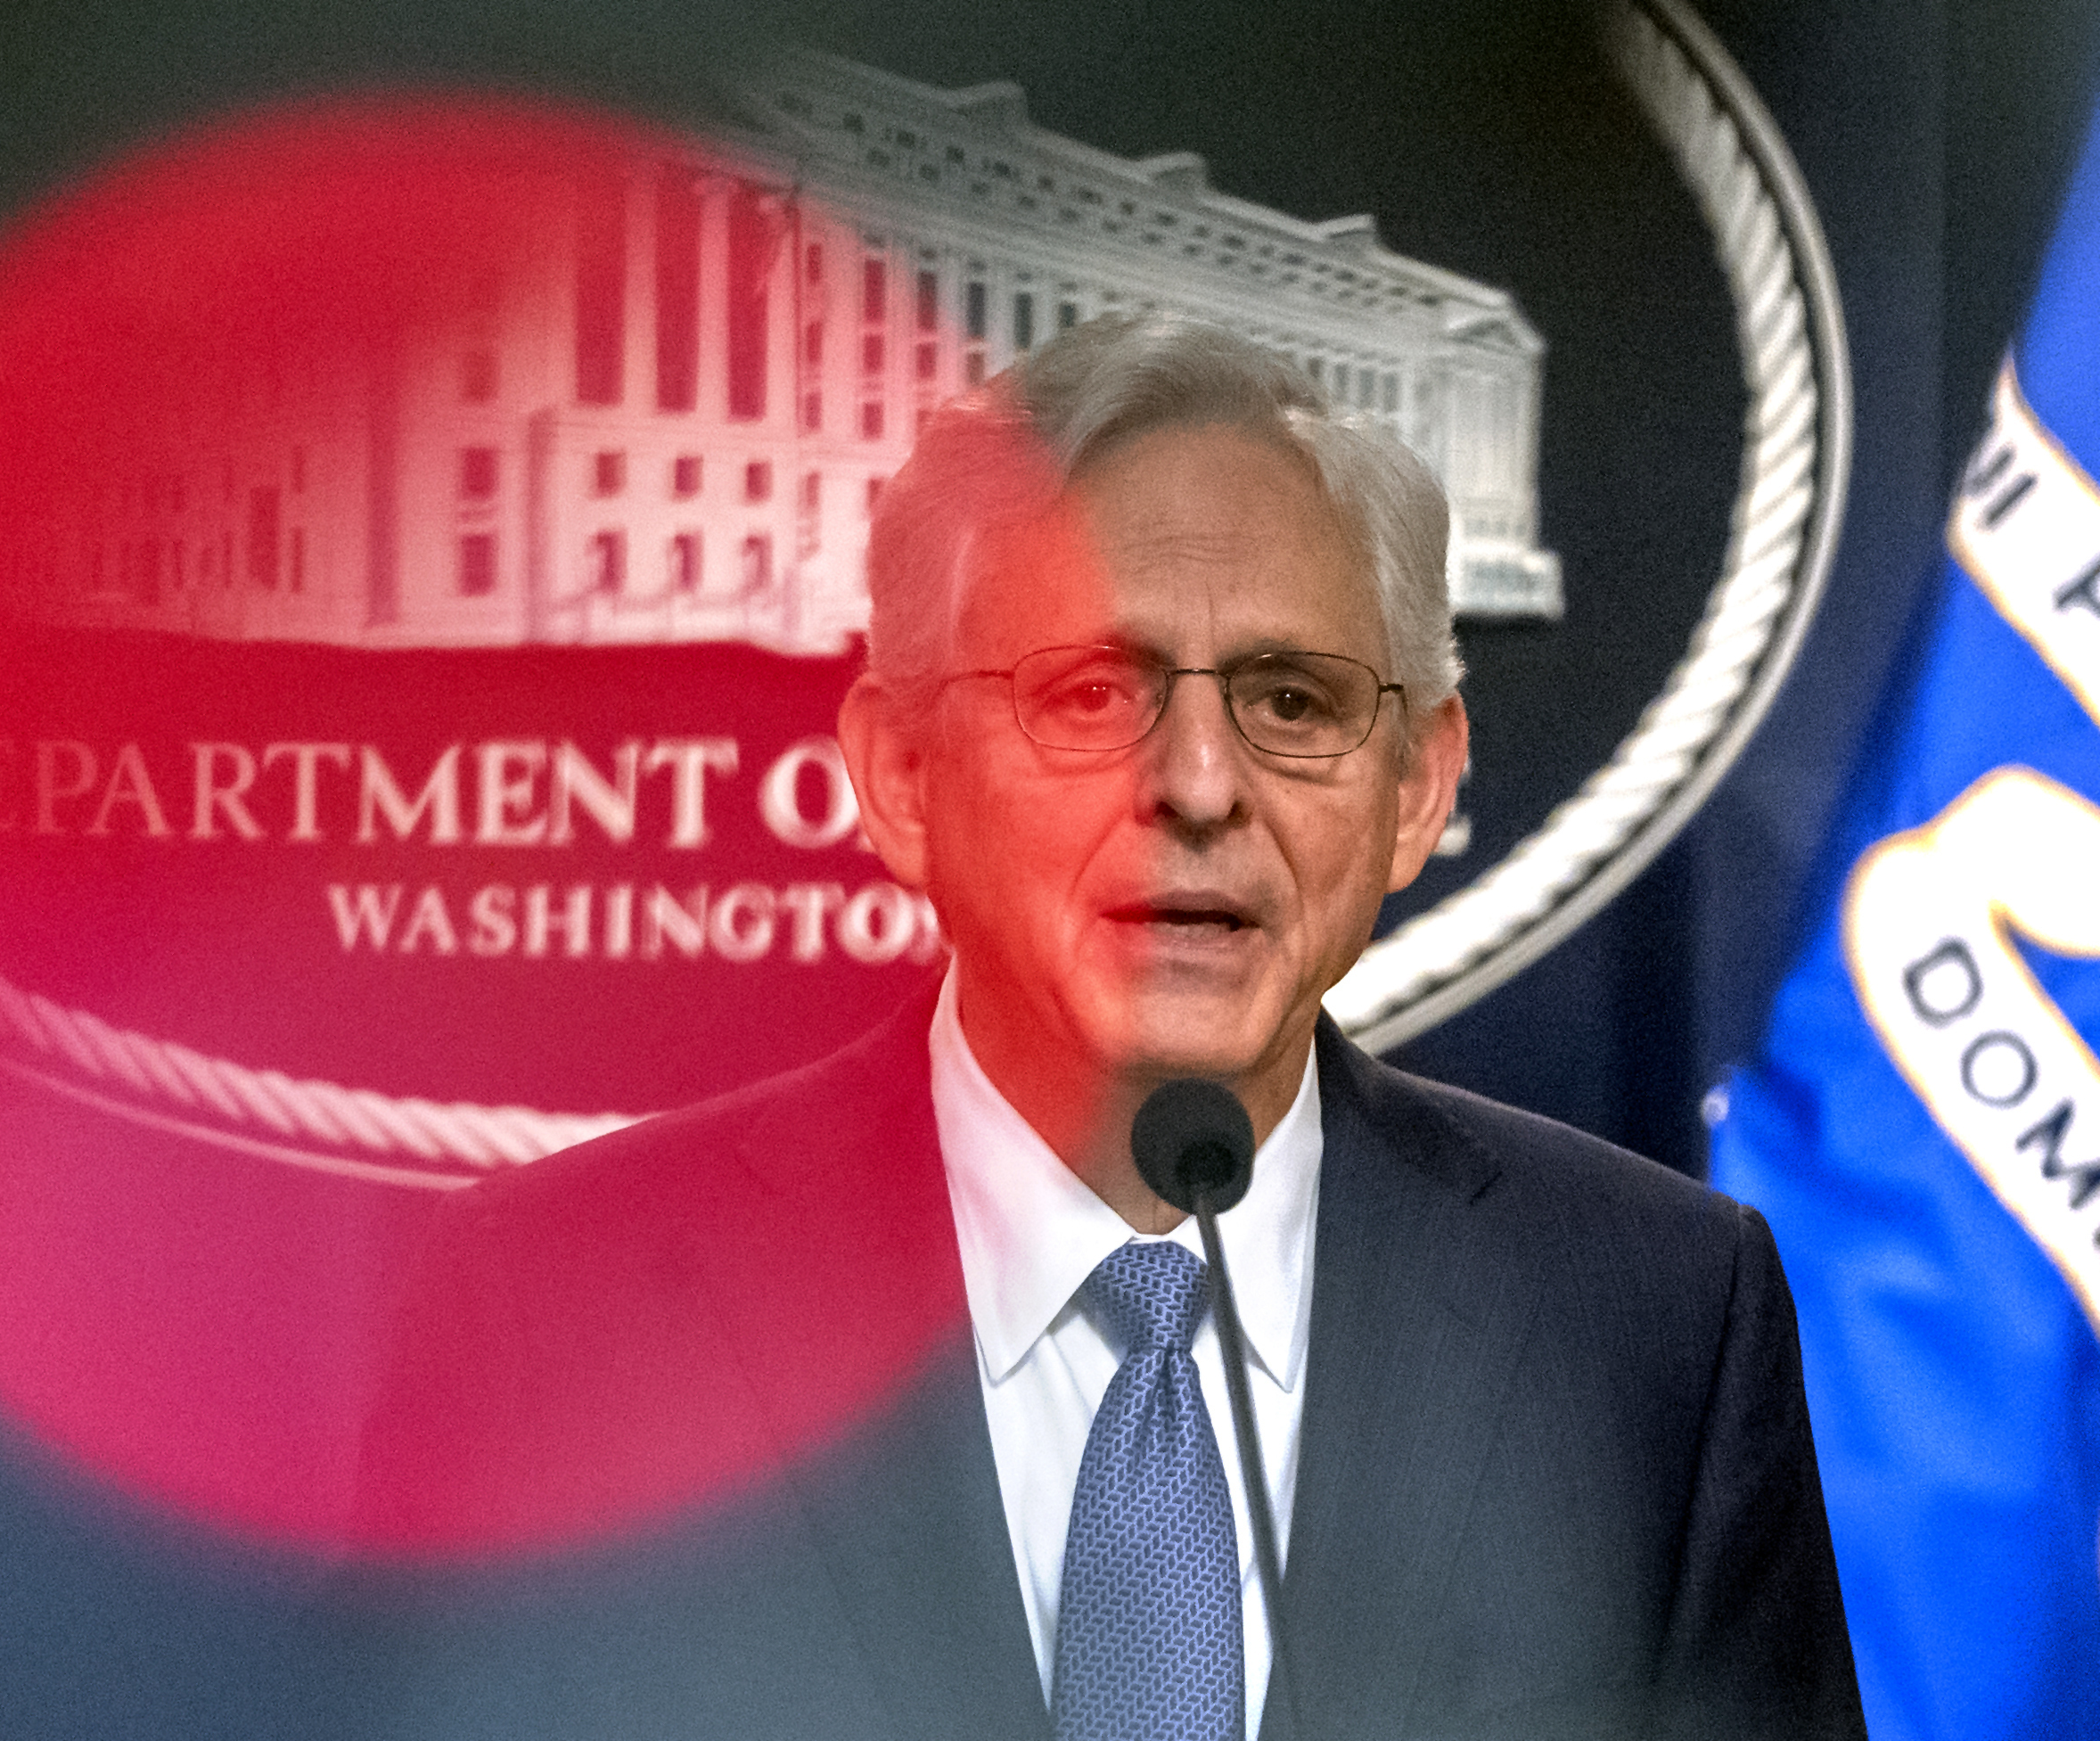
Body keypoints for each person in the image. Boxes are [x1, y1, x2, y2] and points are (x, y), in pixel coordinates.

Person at [357, 314, 1865, 1741]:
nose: (1199, 783)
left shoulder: (1655, 1326)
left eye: (1292, 697)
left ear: (1416, 785)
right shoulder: (555, 1322)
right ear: (898, 774)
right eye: (1087, 692)